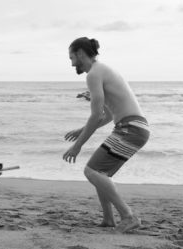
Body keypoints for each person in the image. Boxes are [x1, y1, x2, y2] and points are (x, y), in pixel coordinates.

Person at [63, 37, 150, 233]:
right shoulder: (102, 70)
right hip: (135, 127)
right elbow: (108, 115)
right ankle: (109, 219)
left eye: (71, 57)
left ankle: (128, 216)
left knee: (91, 172)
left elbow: (95, 116)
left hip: (131, 128)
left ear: (80, 53)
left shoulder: (93, 74)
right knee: (99, 172)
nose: (71, 63)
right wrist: (80, 131)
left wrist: (77, 146)